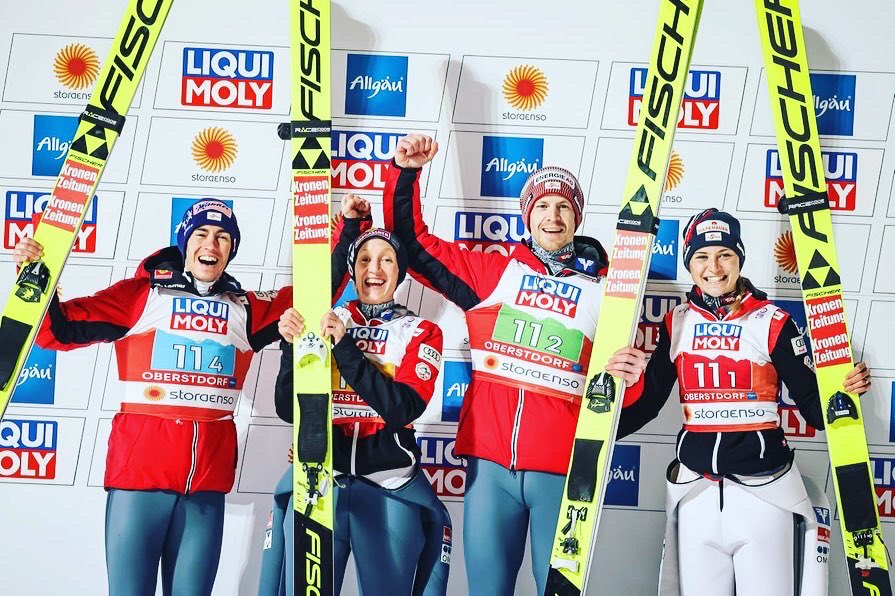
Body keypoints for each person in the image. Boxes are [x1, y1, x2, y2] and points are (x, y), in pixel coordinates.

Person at [381, 133, 642, 596]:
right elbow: (412, 245)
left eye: (563, 207)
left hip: (562, 471)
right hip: (490, 472)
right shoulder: (494, 274)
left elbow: (623, 399)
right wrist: (406, 173)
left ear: (577, 218)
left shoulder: (606, 292)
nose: (553, 216)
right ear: (528, 215)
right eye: (542, 206)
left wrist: (632, 377)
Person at [14, 199, 293, 596]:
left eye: (222, 237)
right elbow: (54, 331)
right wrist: (33, 277)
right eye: (200, 234)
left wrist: (349, 231)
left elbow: (315, 292)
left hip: (204, 489)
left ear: (232, 249)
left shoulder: (244, 308)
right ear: (184, 241)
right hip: (139, 483)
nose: (211, 245)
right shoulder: (141, 295)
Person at [612, 208, 872, 596]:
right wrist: (595, 426)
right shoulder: (676, 322)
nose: (713, 267)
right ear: (688, 262)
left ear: (739, 258)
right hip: (696, 493)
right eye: (701, 256)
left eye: (724, 255)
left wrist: (844, 388)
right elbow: (649, 402)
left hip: (762, 495)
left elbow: (814, 411)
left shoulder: (772, 321)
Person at [261, 202, 452, 596]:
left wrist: (345, 348)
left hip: (387, 486)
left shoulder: (421, 331)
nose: (375, 270)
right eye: (365, 259)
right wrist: (288, 346)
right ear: (352, 269)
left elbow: (403, 408)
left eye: (386, 260)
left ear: (399, 272)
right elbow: (285, 406)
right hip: (320, 483)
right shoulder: (327, 316)